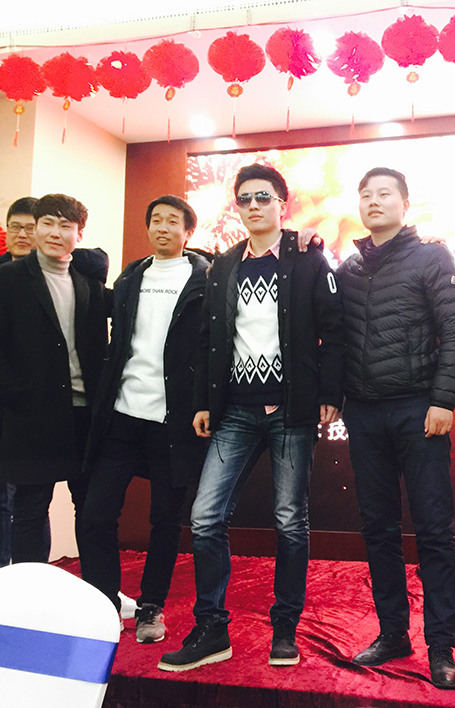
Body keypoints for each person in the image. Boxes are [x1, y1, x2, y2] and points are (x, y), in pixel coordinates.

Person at [158, 164, 343, 671]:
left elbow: (334, 329)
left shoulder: (307, 258)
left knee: (289, 520)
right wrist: (203, 401)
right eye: (245, 199)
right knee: (205, 517)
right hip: (235, 411)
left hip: (292, 410)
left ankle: (285, 628)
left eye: (264, 197)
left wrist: (331, 392)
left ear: (283, 204)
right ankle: (211, 629)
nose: (254, 205)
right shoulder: (223, 265)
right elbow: (209, 339)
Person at [339, 167, 455, 690]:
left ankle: (441, 646)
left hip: (419, 410)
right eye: (366, 195)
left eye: (384, 194)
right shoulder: (348, 269)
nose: (374, 202)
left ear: (404, 204)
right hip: (364, 414)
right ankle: (393, 633)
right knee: (378, 528)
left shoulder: (431, 258)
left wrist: (443, 400)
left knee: (434, 530)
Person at [0, 198, 108, 571]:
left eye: (66, 226)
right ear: (36, 228)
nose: (55, 233)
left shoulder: (88, 282)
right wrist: (18, 395)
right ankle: (28, 594)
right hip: (32, 414)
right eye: (47, 223)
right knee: (31, 508)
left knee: (92, 509)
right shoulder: (6, 279)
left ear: (79, 234)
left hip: (84, 414)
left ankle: (99, 591)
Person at [79, 195, 210, 643]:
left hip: (173, 422)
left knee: (165, 520)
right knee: (95, 514)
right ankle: (104, 603)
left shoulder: (204, 278)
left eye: (173, 221)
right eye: (155, 220)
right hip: (122, 414)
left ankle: (152, 605)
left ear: (188, 232)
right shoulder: (132, 276)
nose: (163, 227)